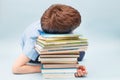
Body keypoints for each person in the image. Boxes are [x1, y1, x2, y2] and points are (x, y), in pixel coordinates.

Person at [12, 4, 87, 77]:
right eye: (70, 31)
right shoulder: (34, 40)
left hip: (52, 44)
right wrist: (50, 68)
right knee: (77, 55)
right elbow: (16, 68)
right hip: (38, 54)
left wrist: (74, 67)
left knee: (80, 53)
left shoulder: (50, 21)